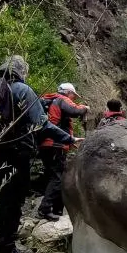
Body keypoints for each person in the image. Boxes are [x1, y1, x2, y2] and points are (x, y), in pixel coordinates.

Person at [0, 56, 73, 253]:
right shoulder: (21, 89)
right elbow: (42, 124)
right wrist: (69, 138)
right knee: (14, 199)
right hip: (16, 152)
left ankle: (5, 240)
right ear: (21, 71)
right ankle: (8, 249)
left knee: (5, 197)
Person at [37, 82, 90, 220]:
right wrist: (84, 108)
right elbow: (75, 111)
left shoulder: (49, 101)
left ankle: (57, 209)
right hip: (56, 144)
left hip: (46, 144)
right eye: (73, 95)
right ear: (67, 92)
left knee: (52, 176)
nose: (74, 98)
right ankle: (45, 209)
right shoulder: (61, 99)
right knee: (57, 177)